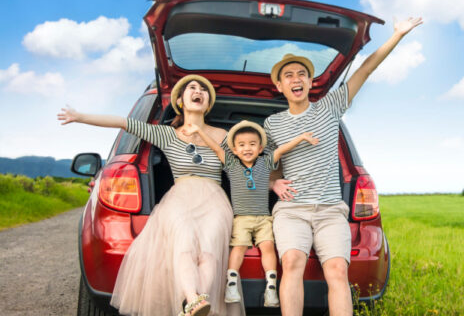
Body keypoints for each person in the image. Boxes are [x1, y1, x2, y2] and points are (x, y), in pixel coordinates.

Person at [264, 17, 423, 316]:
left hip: (330, 210)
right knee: (293, 263)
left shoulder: (331, 106)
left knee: (337, 270)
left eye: (302, 74)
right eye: (288, 75)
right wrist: (274, 182)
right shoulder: (272, 124)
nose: (296, 79)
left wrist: (398, 35)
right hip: (292, 210)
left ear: (311, 82)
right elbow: (267, 165)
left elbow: (366, 68)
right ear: (279, 85)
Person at [58, 75, 249, 316]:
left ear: (208, 103)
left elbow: (239, 166)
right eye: (192, 87)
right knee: (184, 245)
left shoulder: (222, 134)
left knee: (210, 251)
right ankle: (193, 301)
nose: (198, 91)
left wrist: (203, 133)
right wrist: (80, 117)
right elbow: (123, 123)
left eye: (203, 89)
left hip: (214, 198)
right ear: (180, 100)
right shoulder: (167, 135)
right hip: (180, 196)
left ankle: (195, 305)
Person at [181, 120, 318, 308]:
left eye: (252, 144)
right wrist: (199, 130)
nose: (247, 148)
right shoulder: (231, 164)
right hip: (241, 219)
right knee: (239, 247)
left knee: (268, 246)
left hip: (263, 218)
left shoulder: (265, 162)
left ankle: (271, 288)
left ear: (260, 148)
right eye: (242, 145)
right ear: (235, 150)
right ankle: (231, 285)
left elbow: (281, 150)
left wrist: (301, 138)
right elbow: (216, 148)